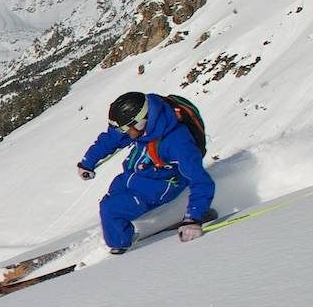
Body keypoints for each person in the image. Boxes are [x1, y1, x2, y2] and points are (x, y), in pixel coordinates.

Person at [76, 92, 215, 254]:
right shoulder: (144, 125)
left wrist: (194, 218)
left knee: (110, 208)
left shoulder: (177, 142)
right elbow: (112, 138)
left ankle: (120, 245)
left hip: (161, 185)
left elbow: (201, 181)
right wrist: (87, 162)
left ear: (140, 123)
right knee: (113, 195)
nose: (123, 133)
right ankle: (117, 228)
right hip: (138, 175)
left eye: (125, 129)